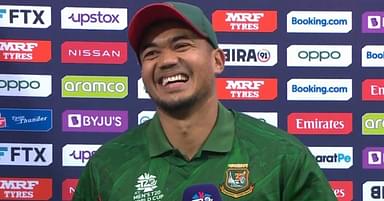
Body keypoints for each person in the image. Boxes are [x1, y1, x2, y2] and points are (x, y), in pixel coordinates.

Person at [72, 2, 338, 201]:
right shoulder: (108, 165)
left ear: (217, 61)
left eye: (182, 45)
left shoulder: (281, 157)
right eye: (151, 53)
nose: (166, 61)